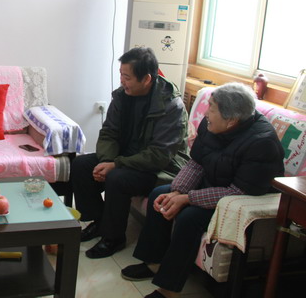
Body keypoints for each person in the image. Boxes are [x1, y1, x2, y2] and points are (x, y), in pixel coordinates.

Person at [121, 83, 285, 298]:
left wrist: (188, 198)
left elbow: (237, 191)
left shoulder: (262, 143)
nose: (206, 113)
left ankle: (168, 289)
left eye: (212, 109)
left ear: (231, 120)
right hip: (214, 184)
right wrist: (178, 191)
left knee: (189, 217)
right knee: (160, 195)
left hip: (238, 202)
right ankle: (154, 263)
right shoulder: (212, 126)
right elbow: (196, 163)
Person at [71, 47, 189, 259]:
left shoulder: (171, 106)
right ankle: (99, 221)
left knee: (117, 177)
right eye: (121, 75)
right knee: (81, 165)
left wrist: (116, 164)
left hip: (161, 168)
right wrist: (107, 160)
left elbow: (159, 155)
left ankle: (113, 237)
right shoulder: (122, 96)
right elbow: (109, 132)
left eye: (127, 77)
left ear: (146, 79)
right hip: (126, 157)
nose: (122, 81)